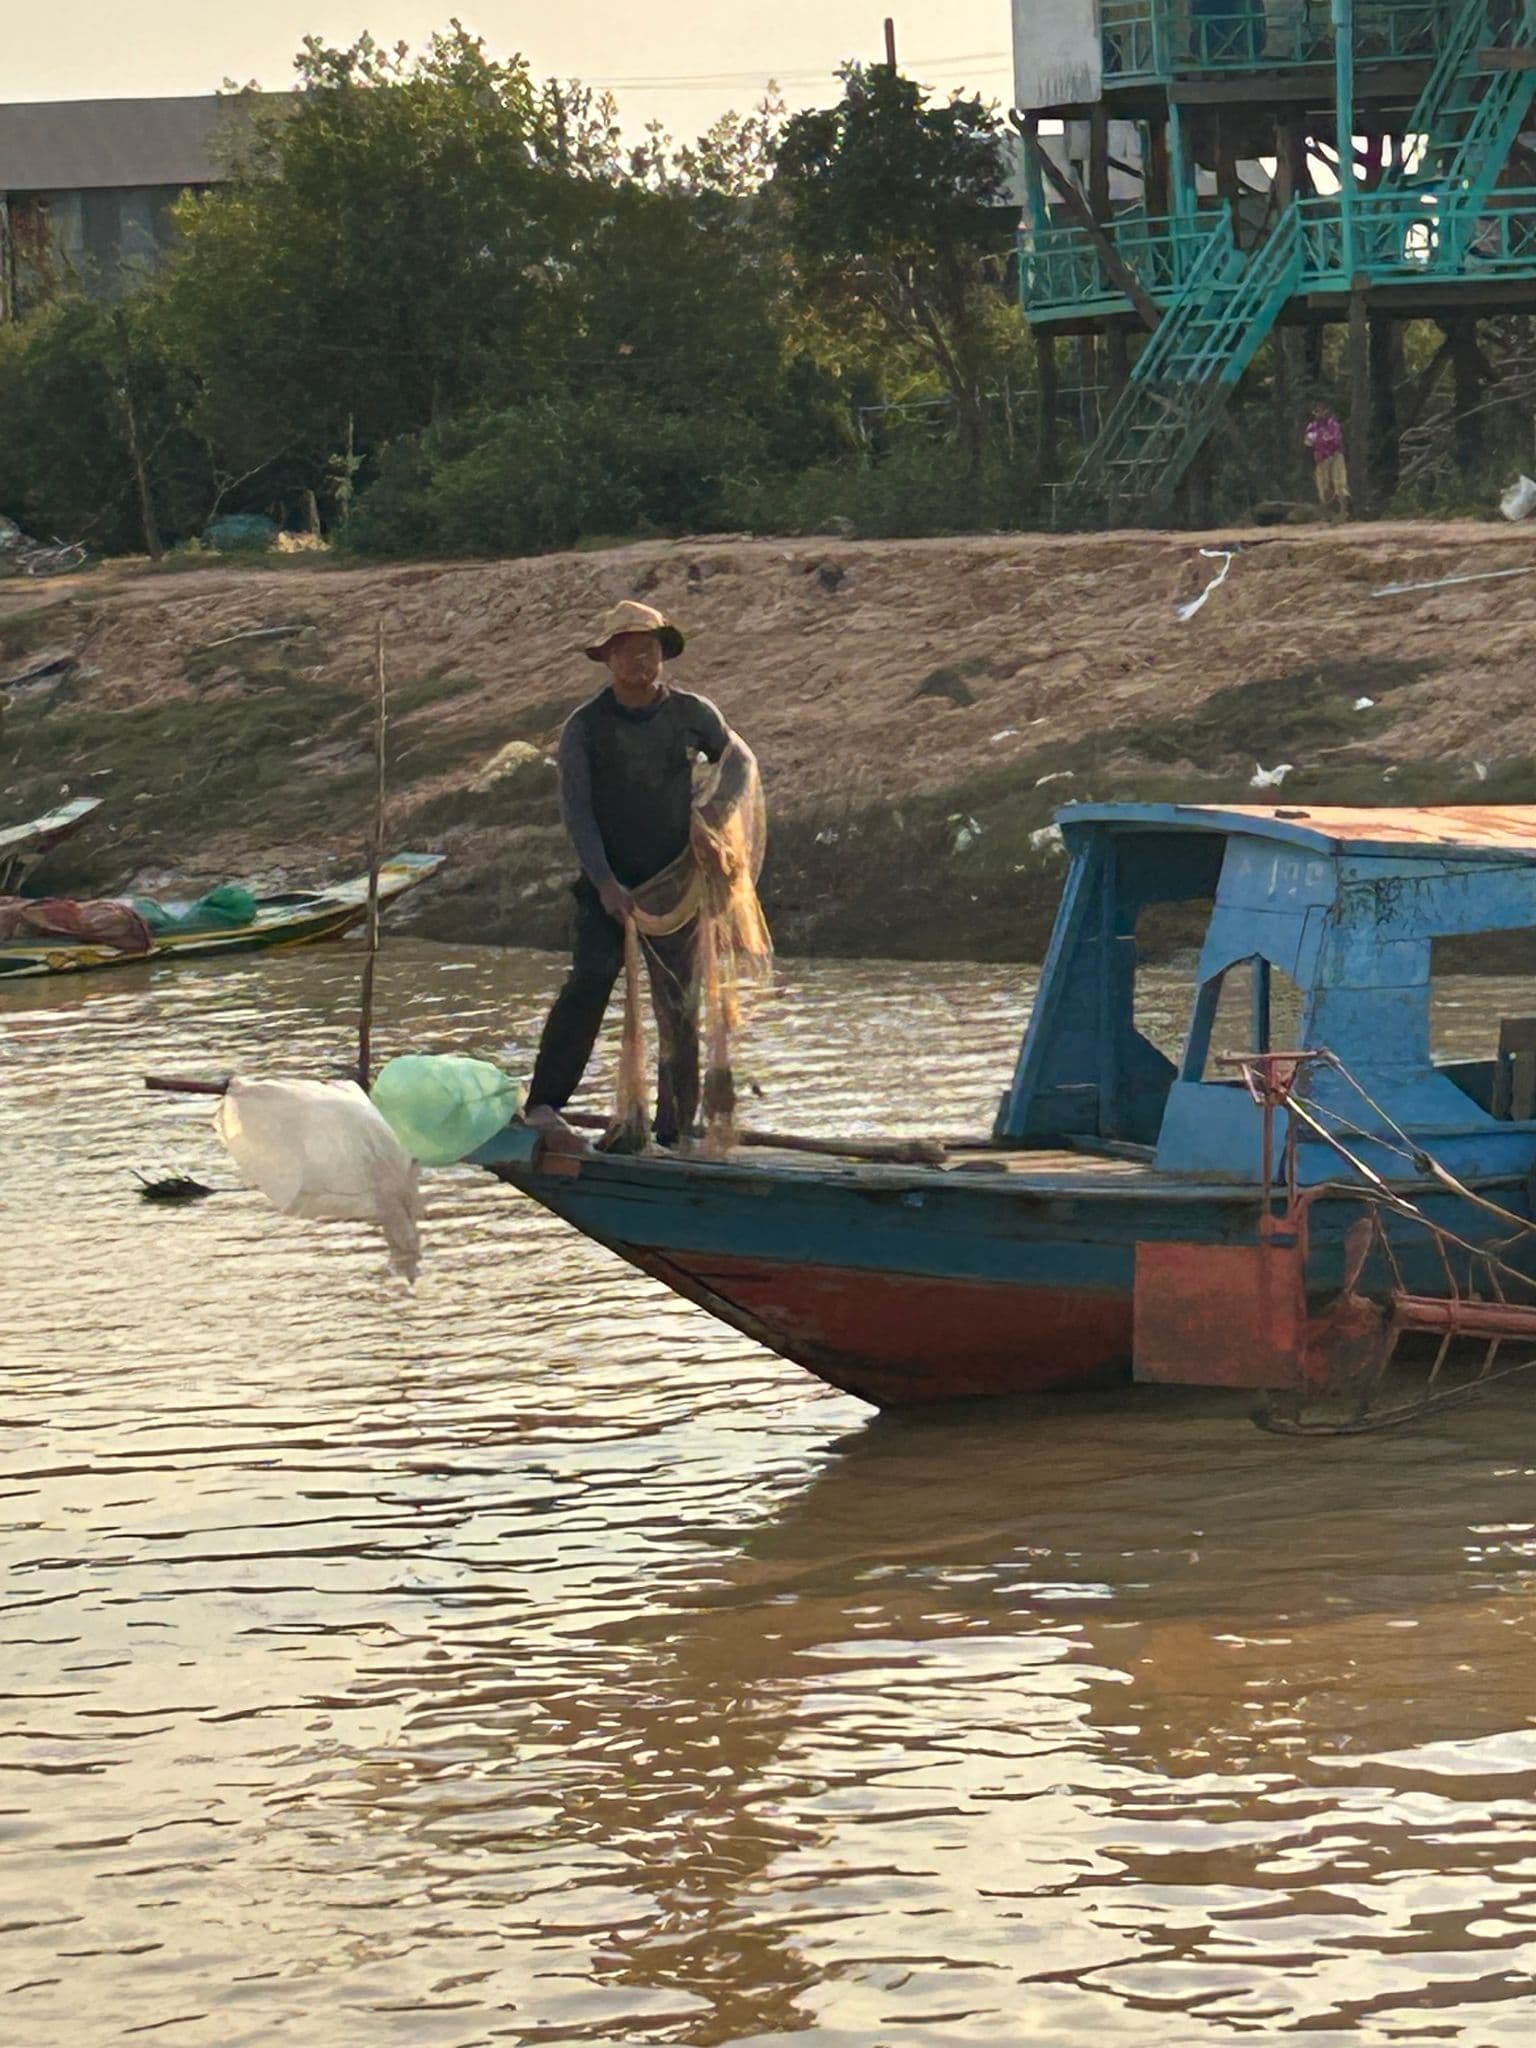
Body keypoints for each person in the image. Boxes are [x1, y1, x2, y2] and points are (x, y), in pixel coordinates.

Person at [523, 599, 747, 1149]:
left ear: (662, 656)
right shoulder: (586, 728)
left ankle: (677, 1128)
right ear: (608, 659)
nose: (639, 663)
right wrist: (604, 884)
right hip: (609, 884)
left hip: (674, 884)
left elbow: (738, 760)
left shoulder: (693, 713)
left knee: (679, 1003)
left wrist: (718, 811)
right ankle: (544, 1104)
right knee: (589, 983)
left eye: (648, 652)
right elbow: (578, 811)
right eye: (627, 653)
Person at [1303, 401, 1350, 519]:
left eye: (1322, 410)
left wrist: (1322, 441)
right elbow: (1308, 443)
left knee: (1339, 483)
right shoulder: (1312, 427)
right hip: (1321, 458)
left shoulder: (1333, 425)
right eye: (1317, 411)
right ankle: (1329, 513)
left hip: (1335, 455)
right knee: (1324, 487)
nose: (1320, 413)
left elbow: (1336, 440)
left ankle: (1344, 510)